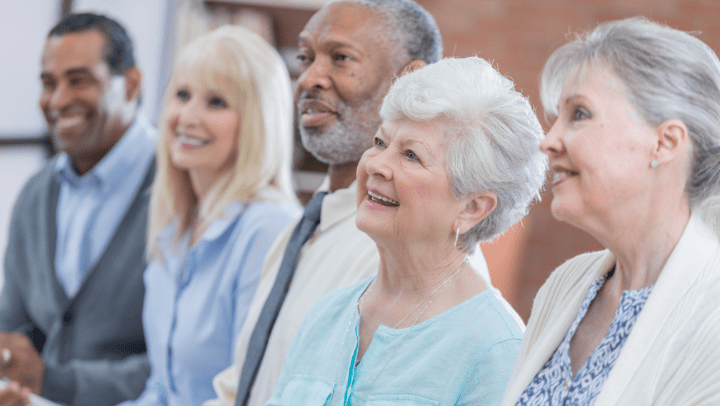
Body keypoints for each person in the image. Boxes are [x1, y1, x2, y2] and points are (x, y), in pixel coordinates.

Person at [207, 1, 492, 406]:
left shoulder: (412, 253)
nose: (309, 78)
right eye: (305, 58)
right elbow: (246, 385)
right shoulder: (302, 229)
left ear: (409, 80)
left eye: (340, 58)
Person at [267, 56, 547, 405]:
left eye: (411, 155)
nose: (377, 165)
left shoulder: (495, 349)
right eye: (381, 143)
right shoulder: (329, 313)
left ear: (472, 207)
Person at [502, 17, 720, 406]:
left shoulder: (712, 312)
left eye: (579, 114)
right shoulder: (564, 285)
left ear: (665, 142)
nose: (548, 142)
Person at [118, 25, 300, 406]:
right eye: (182, 94)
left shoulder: (267, 228)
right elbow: (162, 392)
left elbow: (252, 391)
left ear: (256, 121)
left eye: (216, 102)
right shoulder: (176, 227)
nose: (187, 116)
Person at [0, 13, 153, 406]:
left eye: (78, 80)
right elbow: (16, 324)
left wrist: (54, 380)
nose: (58, 100)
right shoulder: (35, 195)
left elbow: (185, 368)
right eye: (48, 83)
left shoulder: (183, 189)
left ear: (131, 83)